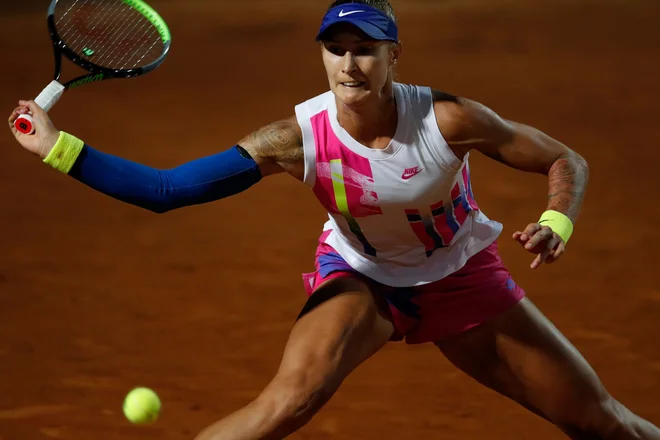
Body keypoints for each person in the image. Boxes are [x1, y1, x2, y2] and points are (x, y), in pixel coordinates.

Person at [8, 0, 659, 439]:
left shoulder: (450, 120)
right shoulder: (294, 138)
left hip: (462, 277)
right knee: (285, 404)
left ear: (393, 57)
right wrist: (57, 148)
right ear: (322, 56)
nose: (349, 63)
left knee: (604, 424)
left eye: (365, 50)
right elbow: (166, 189)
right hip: (361, 277)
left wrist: (558, 220)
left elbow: (562, 158)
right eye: (335, 49)